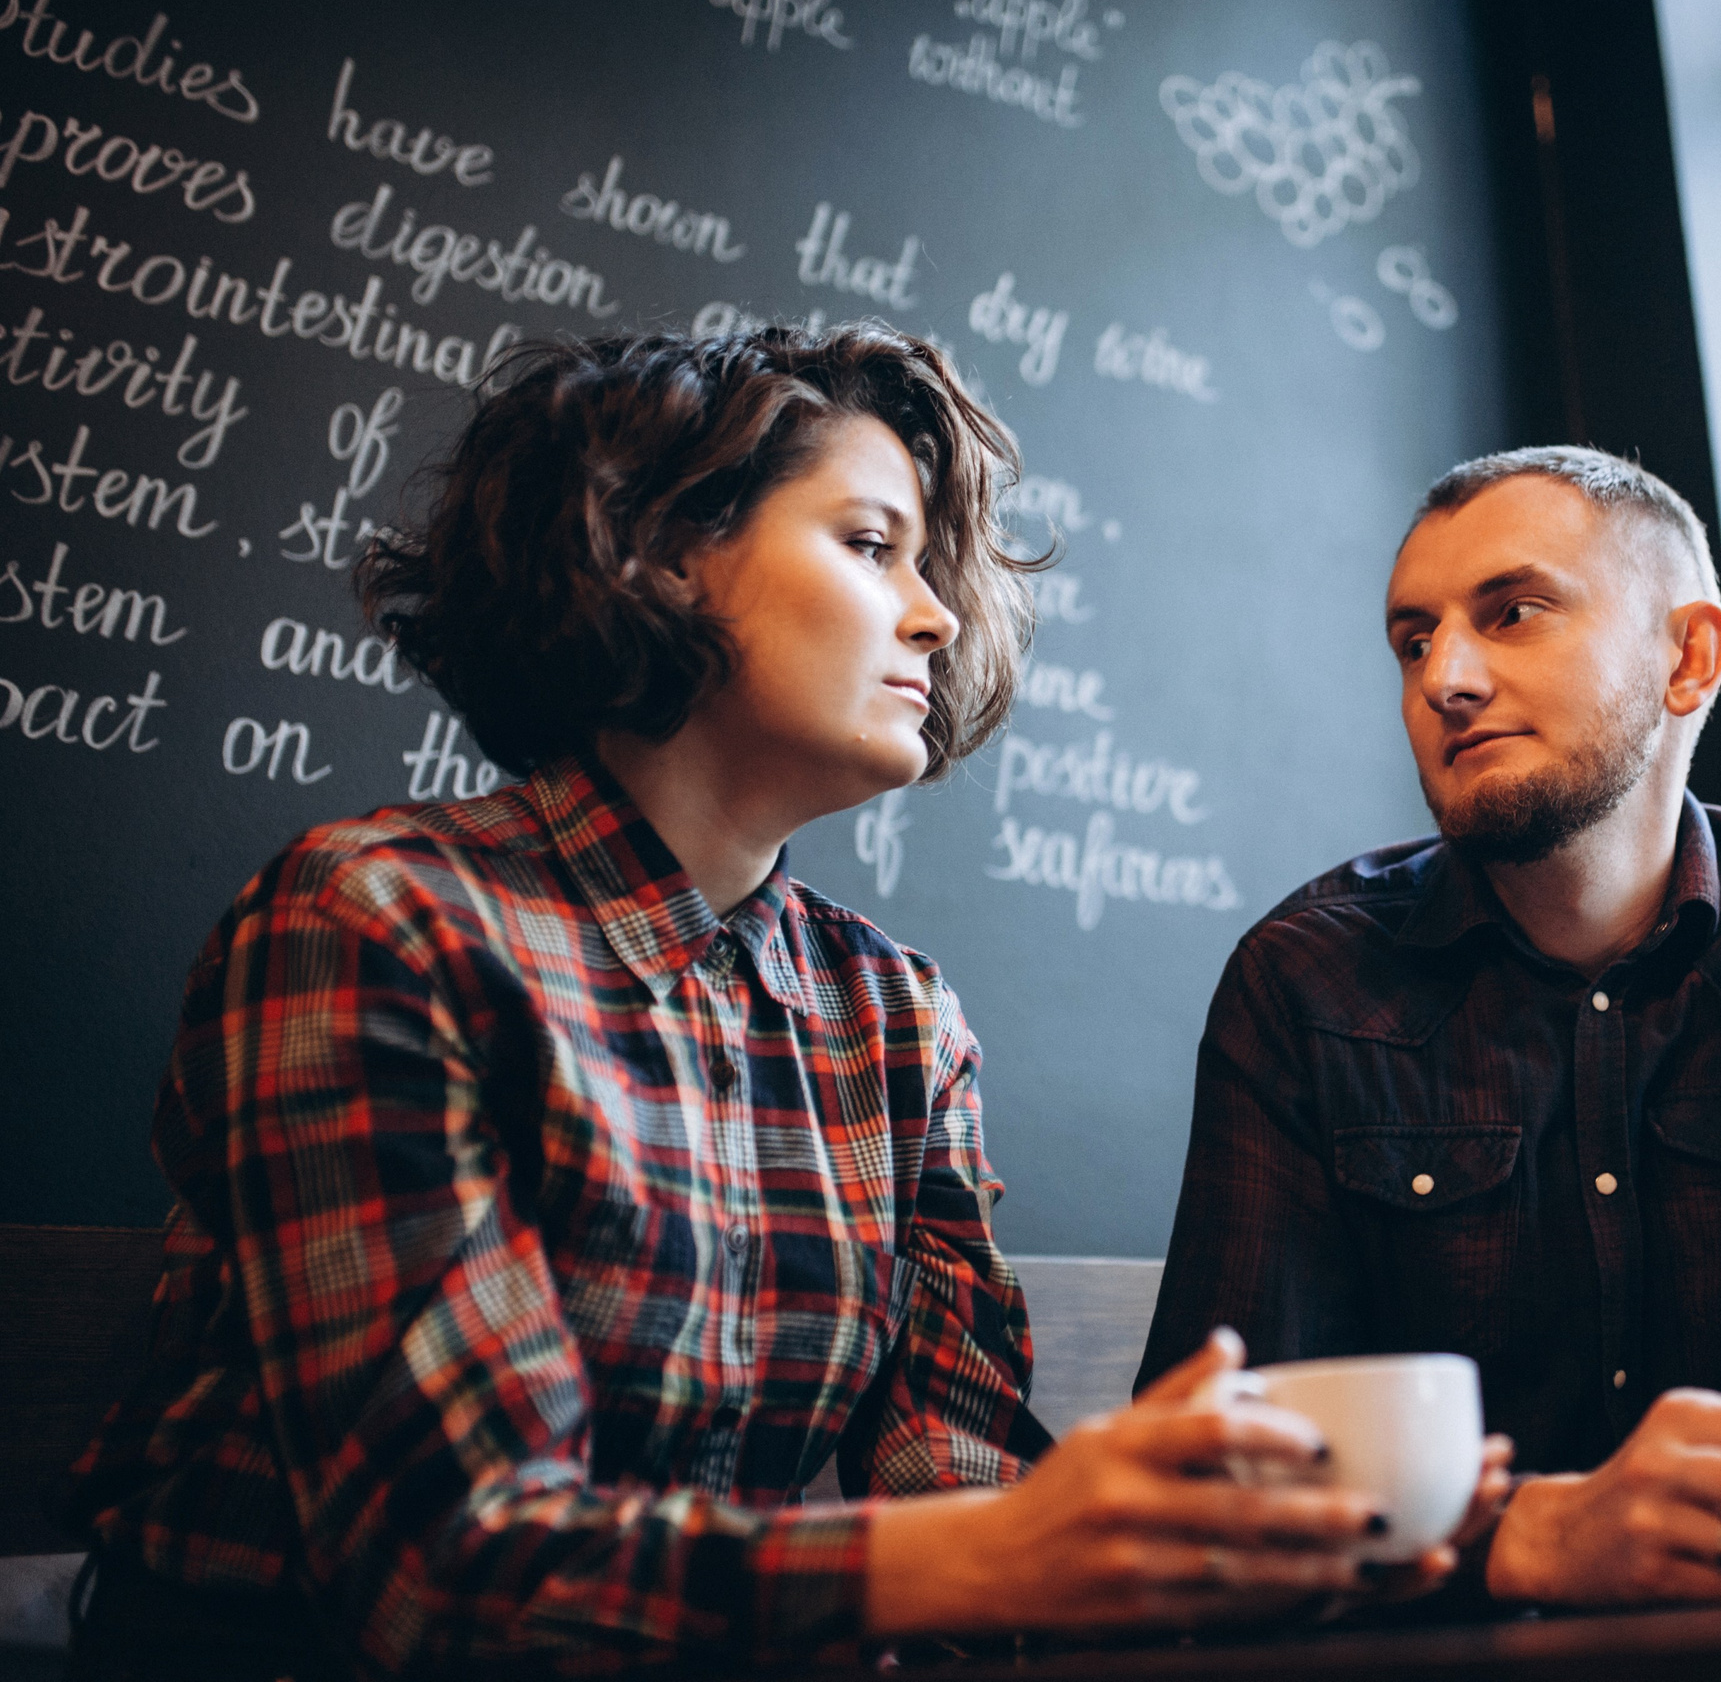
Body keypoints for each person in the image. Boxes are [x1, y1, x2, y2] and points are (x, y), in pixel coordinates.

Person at [59, 325, 1493, 1680]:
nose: (935, 615)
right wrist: (998, 1554)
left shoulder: (896, 1019)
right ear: (661, 556)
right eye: (873, 545)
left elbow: (959, 1480)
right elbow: (450, 1572)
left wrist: (1194, 1550)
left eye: (933, 565)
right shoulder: (381, 918)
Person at [1139, 446, 1721, 1608]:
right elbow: (1217, 1476)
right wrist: (1528, 1541)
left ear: (1688, 658)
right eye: (1413, 641)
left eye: (1512, 613)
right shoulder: (1307, 981)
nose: (1445, 680)